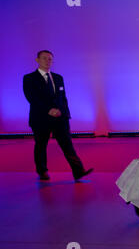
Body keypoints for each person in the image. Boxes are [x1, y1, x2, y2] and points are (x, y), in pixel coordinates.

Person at [23, 50, 93, 181]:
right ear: (37, 60)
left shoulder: (58, 77)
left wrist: (65, 113)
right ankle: (42, 171)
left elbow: (62, 98)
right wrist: (48, 110)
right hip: (40, 119)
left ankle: (78, 171)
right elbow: (32, 98)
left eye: (50, 59)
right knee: (41, 146)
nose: (47, 61)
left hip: (60, 118)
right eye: (44, 58)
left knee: (67, 145)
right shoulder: (29, 78)